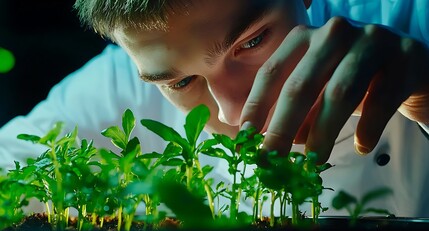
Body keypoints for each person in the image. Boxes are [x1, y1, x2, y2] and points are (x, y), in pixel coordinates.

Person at [0, 0, 428, 217]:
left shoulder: (412, 17)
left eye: (253, 41)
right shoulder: (118, 83)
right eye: (180, 83)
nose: (233, 114)